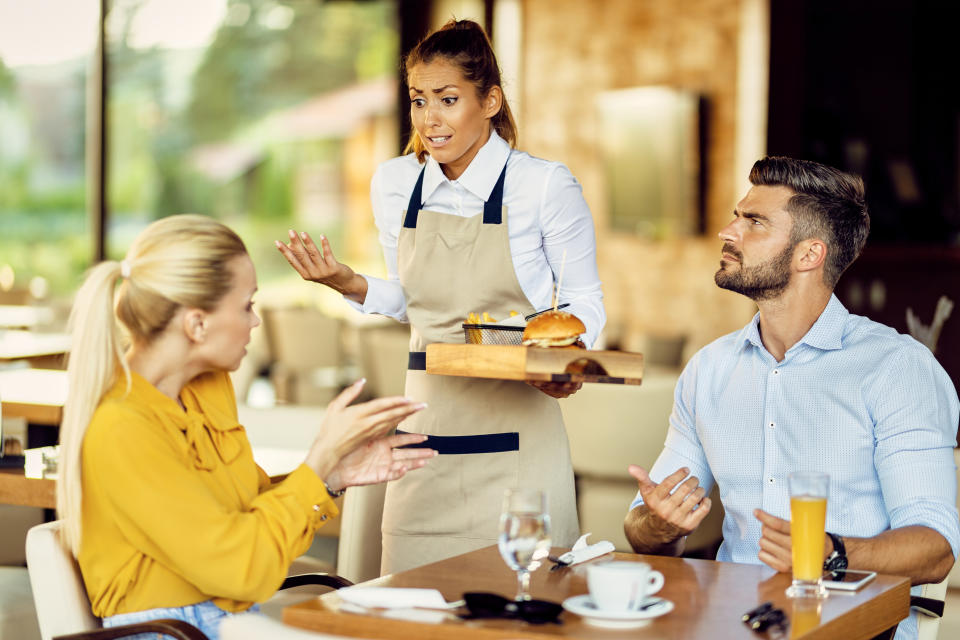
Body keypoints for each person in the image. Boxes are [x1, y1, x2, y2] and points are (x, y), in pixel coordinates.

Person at [275, 19, 605, 574]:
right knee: (410, 612)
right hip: (424, 445)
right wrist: (344, 282)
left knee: (524, 617)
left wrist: (565, 362)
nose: (430, 119)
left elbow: (585, 302)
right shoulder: (395, 183)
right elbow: (415, 302)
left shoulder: (544, 185)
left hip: (521, 450)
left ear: (490, 101)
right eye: (418, 101)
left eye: (448, 100)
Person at [623, 157, 959, 640]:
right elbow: (642, 531)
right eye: (738, 216)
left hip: (853, 628)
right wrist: (660, 524)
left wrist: (830, 552)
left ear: (809, 254)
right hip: (729, 624)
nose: (728, 231)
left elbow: (935, 548)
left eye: (753, 222)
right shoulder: (709, 370)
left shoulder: (897, 369)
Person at [57, 214, 436, 639]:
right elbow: (242, 570)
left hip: (230, 623)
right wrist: (320, 456)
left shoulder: (205, 389)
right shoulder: (121, 426)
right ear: (197, 324)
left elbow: (249, 520)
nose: (256, 322)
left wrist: (330, 476)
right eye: (247, 305)